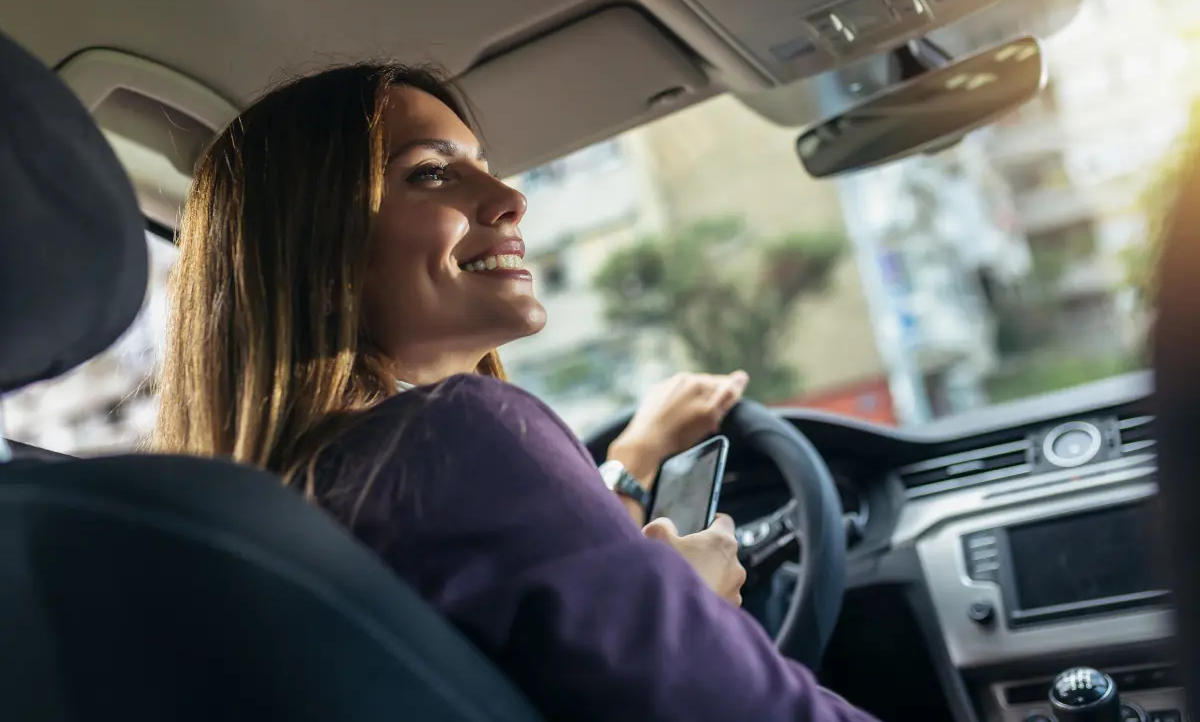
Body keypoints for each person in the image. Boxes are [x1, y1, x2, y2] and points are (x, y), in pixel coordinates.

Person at [153, 62, 877, 721]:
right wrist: (687, 614)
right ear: (315, 243)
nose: (509, 199)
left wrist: (636, 468)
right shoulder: (455, 435)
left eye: (487, 169)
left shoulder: (264, 515)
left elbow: (510, 588)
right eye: (432, 175)